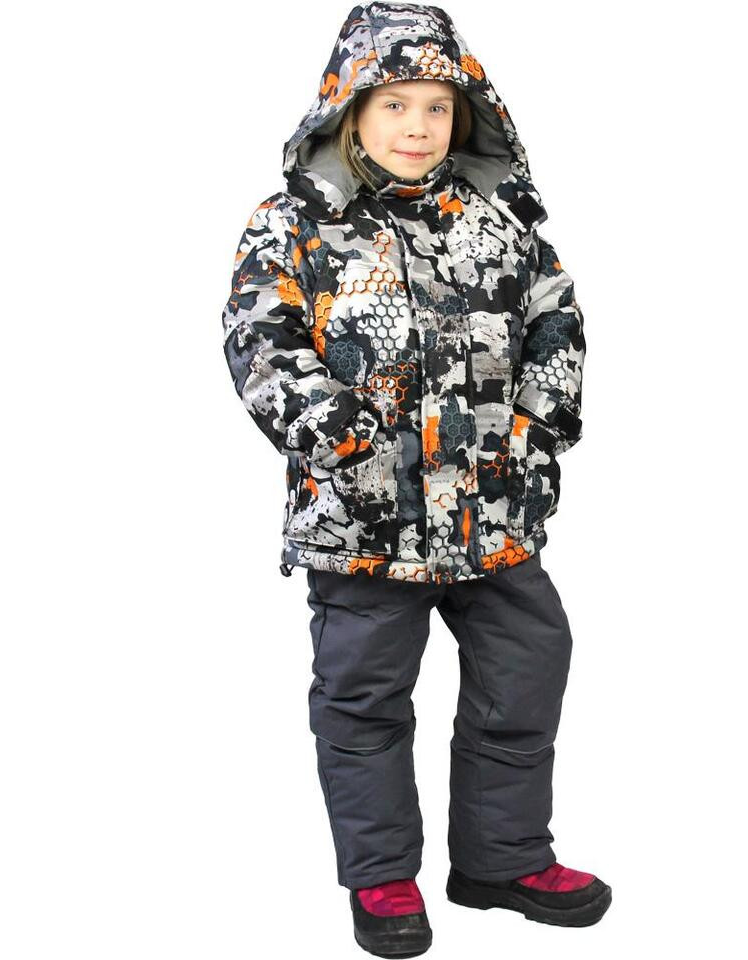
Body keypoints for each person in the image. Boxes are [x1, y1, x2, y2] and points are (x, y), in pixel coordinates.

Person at [220, 2, 611, 955]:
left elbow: (556, 321)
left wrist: (537, 426)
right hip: (365, 524)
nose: (417, 126)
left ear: (465, 116)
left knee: (526, 671)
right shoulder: (292, 226)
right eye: (393, 104)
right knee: (363, 698)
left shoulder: (501, 222)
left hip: (492, 512)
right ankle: (384, 875)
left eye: (438, 107)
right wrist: (339, 441)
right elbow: (260, 339)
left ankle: (501, 858)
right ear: (348, 111)